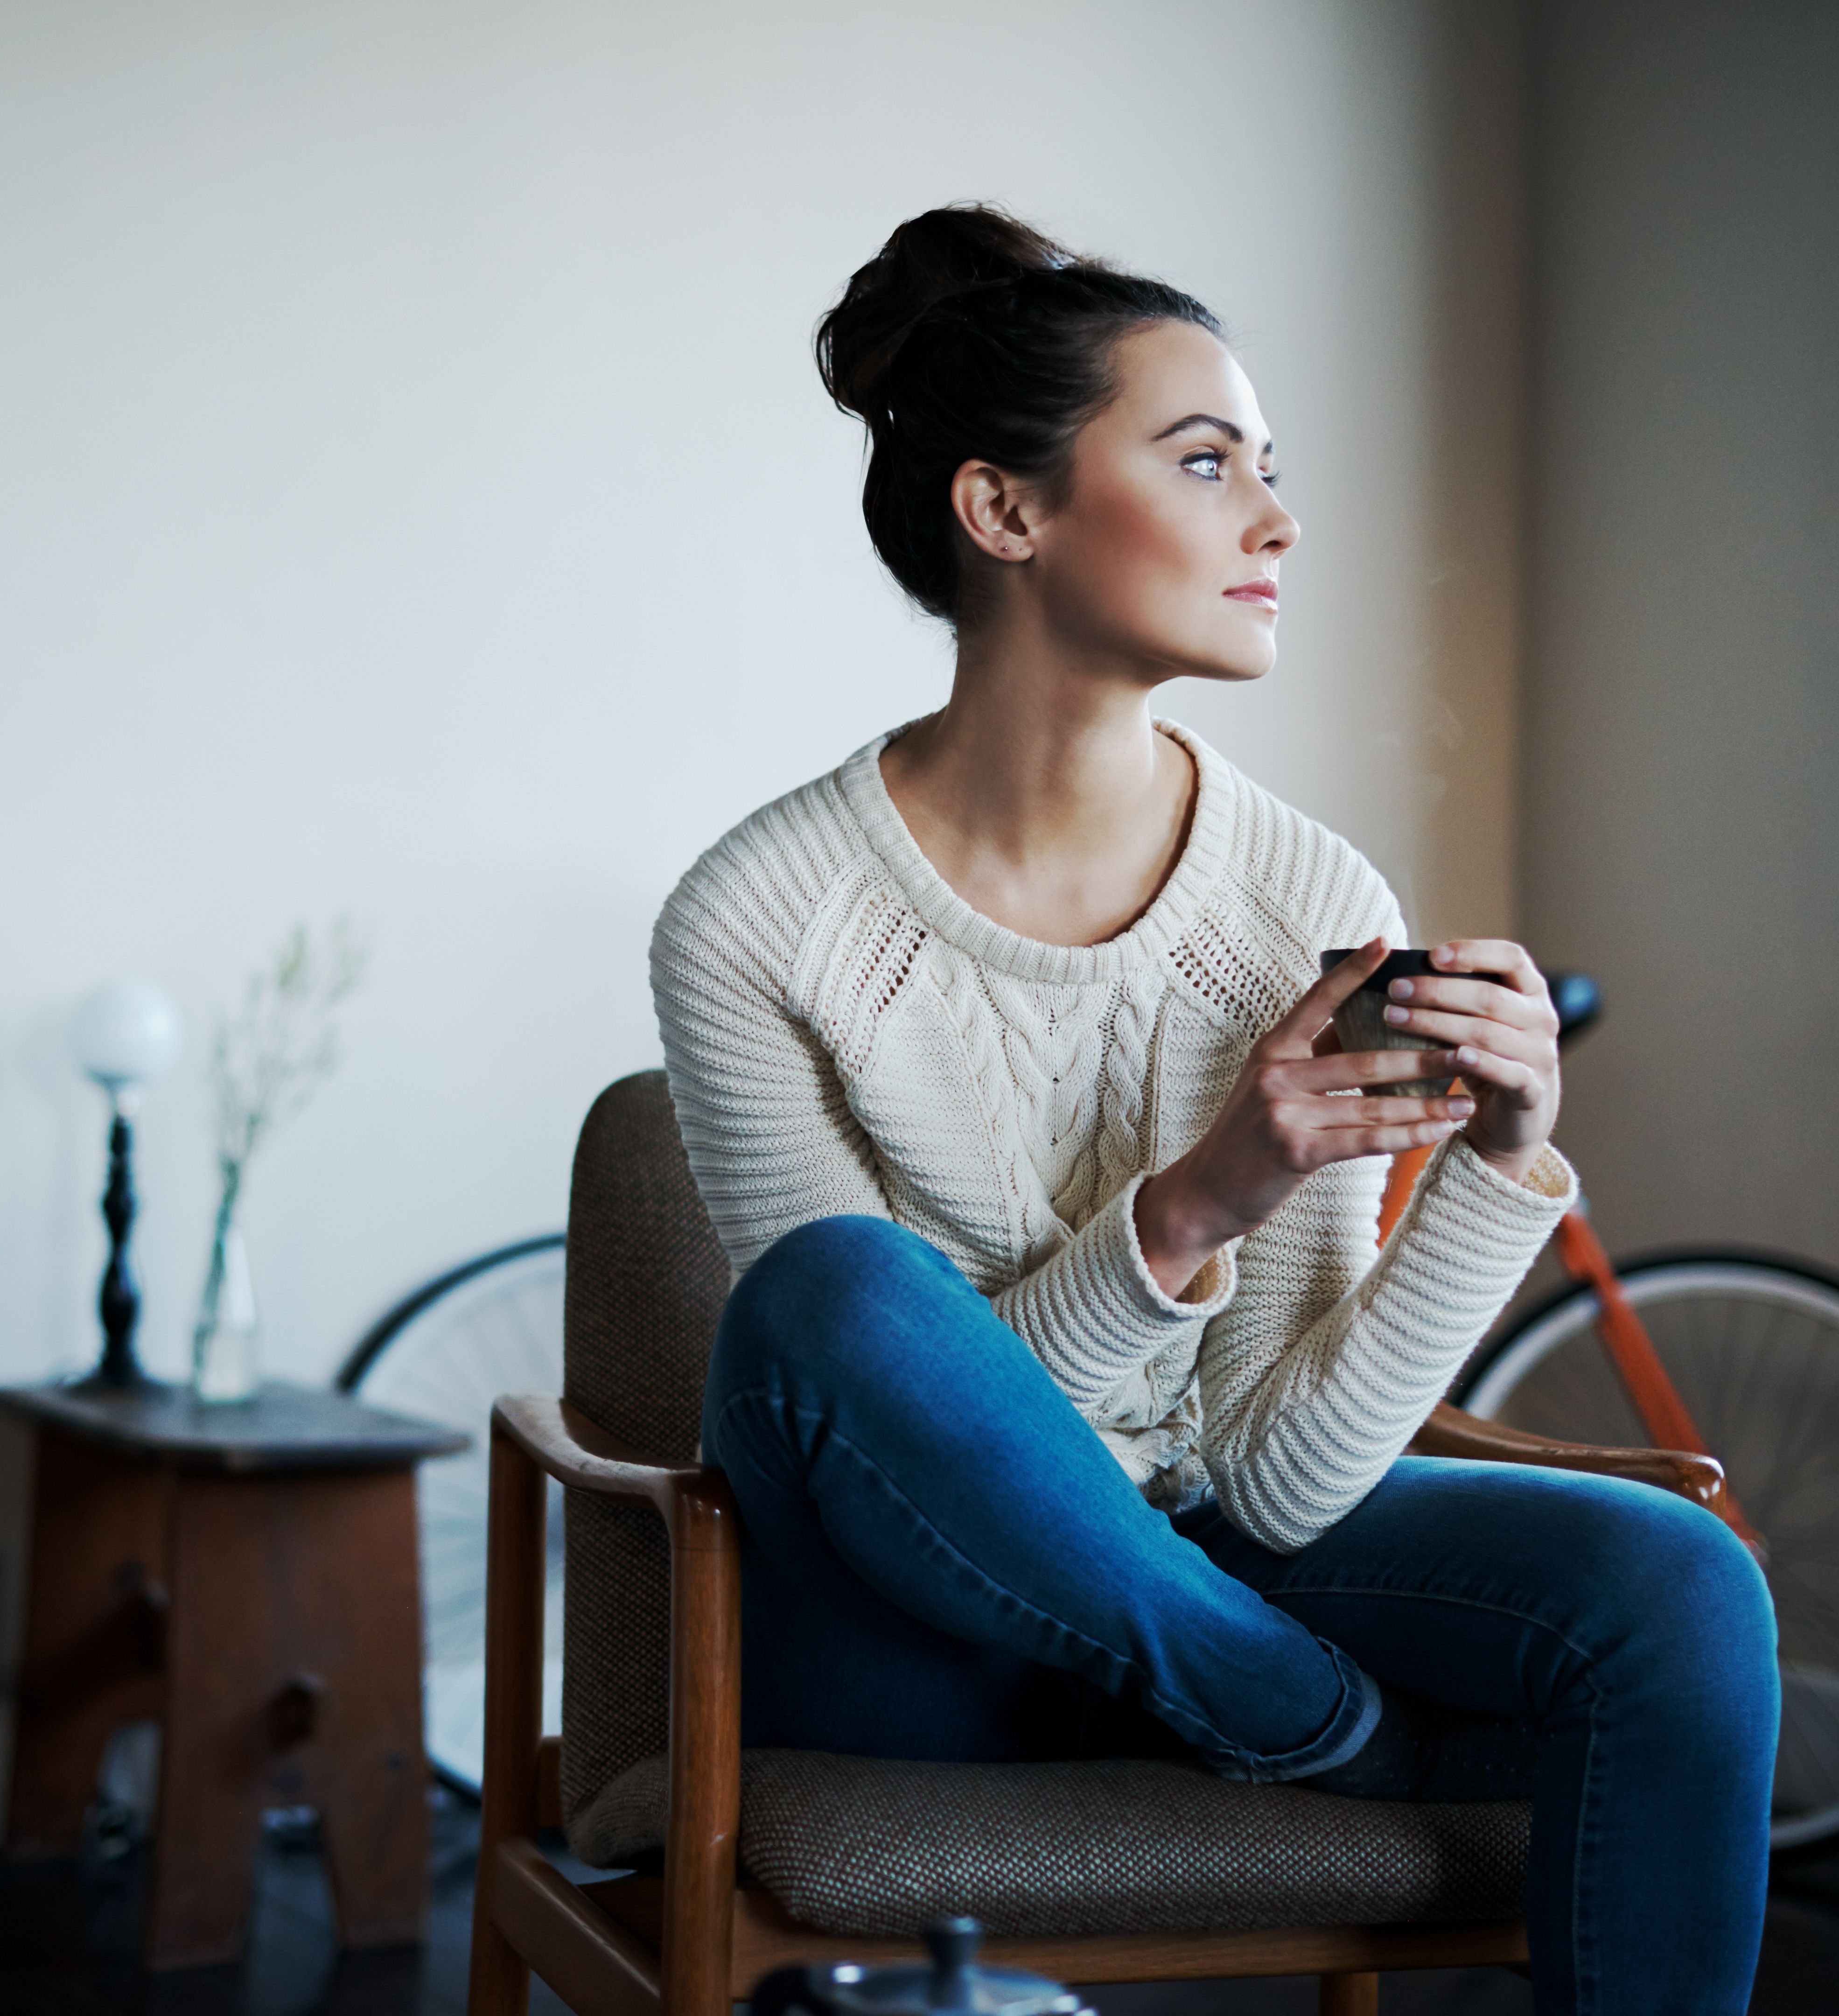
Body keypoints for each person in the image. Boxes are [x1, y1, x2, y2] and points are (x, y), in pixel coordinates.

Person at [648, 206, 1776, 2015]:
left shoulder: (1306, 902)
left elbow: (1275, 1479)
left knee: (1682, 1586)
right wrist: (1196, 1206)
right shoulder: (759, 921)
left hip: (1232, 1558)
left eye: (1272, 468)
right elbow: (872, 1429)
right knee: (835, 1300)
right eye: (1204, 462)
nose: (1279, 520)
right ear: (1002, 512)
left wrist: (1493, 1168)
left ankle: (1253, 1691)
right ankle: (1306, 1724)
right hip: (917, 1638)